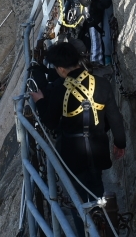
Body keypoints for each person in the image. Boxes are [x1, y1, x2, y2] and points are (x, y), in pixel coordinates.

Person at [31, 41, 126, 213]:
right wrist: (120, 143)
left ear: (60, 69)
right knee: (97, 188)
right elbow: (115, 118)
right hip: (98, 148)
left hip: (72, 153)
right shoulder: (102, 83)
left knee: (79, 200)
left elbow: (50, 121)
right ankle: (102, 221)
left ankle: (86, 229)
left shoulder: (59, 89)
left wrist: (40, 101)